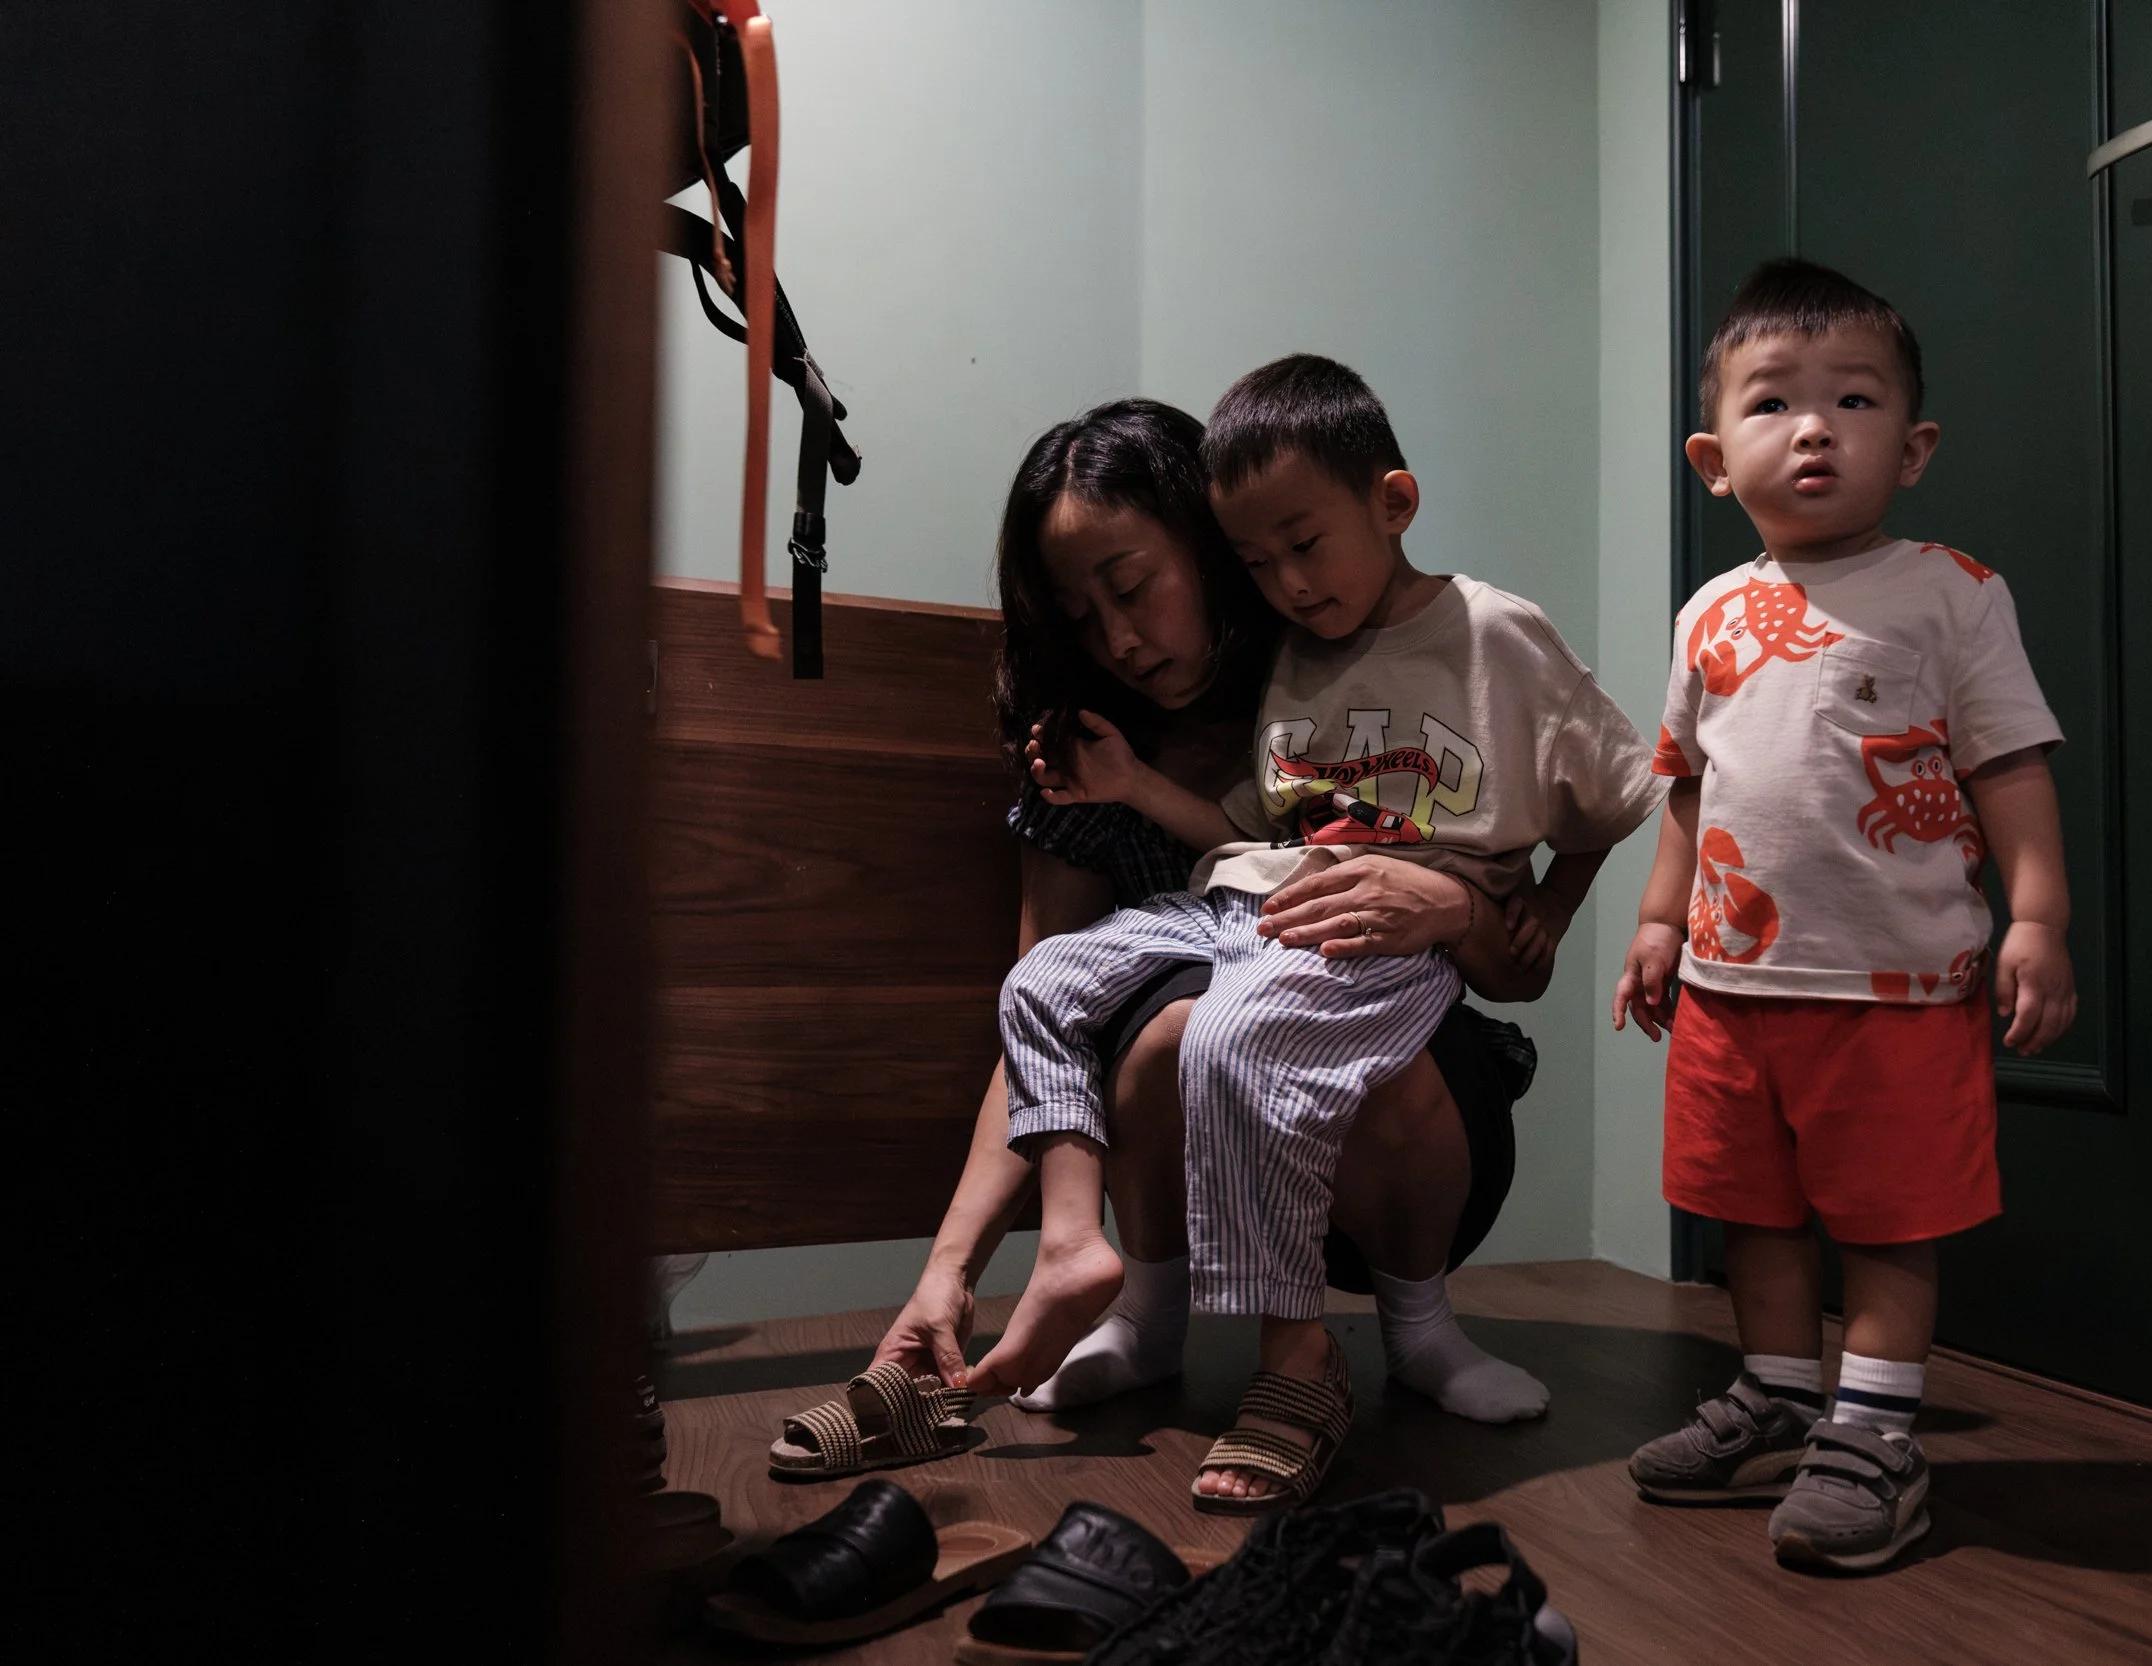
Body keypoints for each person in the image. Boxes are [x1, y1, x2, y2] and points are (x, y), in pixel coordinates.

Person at [983, 358, 1666, 1511]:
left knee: (1217, 1039)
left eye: (1304, 546)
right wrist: (1134, 784)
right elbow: (1248, 829)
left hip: (1375, 941)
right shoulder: (1291, 660)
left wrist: (1545, 902)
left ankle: (1315, 1354)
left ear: (1393, 504)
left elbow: (1612, 792)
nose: (1287, 584)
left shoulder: (1492, 631)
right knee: (1045, 980)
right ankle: (1114, 1285)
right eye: (1257, 564)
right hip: (1250, 899)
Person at [871, 398, 1559, 1439]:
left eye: (1132, 587)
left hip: (1404, 1124)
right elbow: (1040, 1033)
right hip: (1203, 1160)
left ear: (1210, 546)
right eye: (1078, 610)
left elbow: (1520, 974)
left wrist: (1451, 903)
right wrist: (948, 1273)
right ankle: (1150, 1319)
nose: (1117, 637)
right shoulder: (1088, 767)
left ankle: (1419, 1333)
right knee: (1159, 1024)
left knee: (1271, 1018)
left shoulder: (1348, 675)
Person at [1612, 260, 2076, 1571]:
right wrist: (1658, 924)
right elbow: (1688, 789)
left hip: (1894, 989)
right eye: (1774, 403)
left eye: (1854, 400)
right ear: (1715, 457)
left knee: (1884, 1218)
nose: (1814, 426)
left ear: (1912, 446)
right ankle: (1776, 1397)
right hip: (1730, 988)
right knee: (1752, 1208)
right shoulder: (1708, 612)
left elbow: (2008, 766)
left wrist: (2035, 916)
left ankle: (1876, 1433)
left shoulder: (1951, 591)